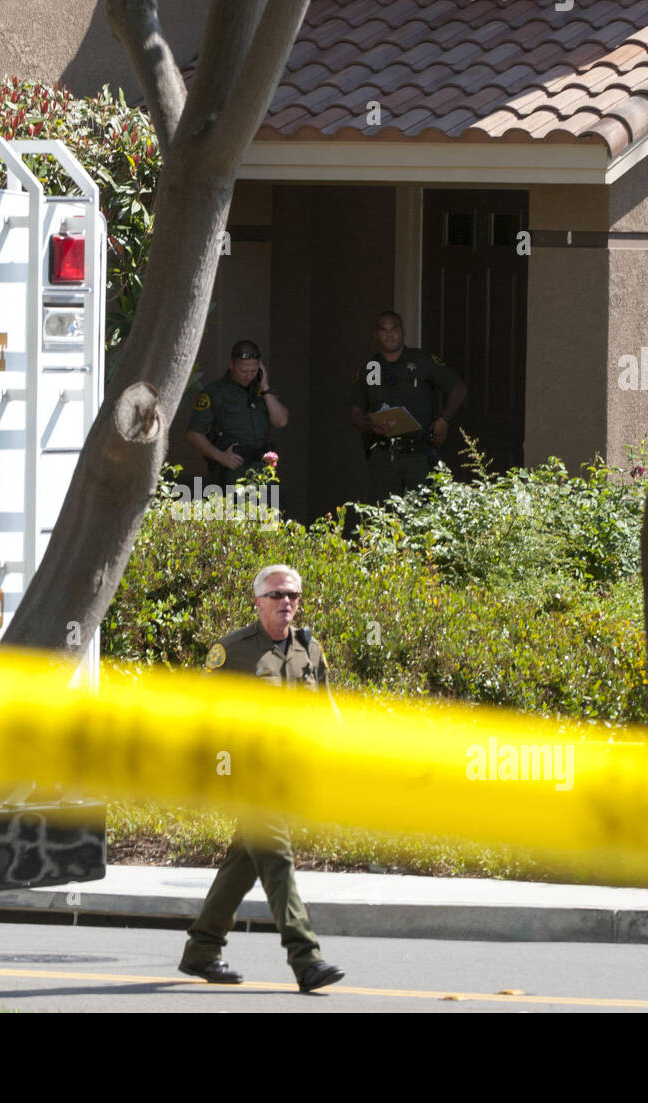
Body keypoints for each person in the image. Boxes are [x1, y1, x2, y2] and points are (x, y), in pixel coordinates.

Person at [178, 565, 345, 993]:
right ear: (258, 601)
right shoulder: (232, 651)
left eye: (292, 595)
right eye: (276, 595)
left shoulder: (310, 649)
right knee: (277, 857)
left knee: (245, 862)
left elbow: (327, 713)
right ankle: (306, 959)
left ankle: (202, 949)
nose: (286, 602)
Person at [349, 310, 467, 501]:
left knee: (423, 512)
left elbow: (458, 388)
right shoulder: (371, 368)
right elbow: (355, 411)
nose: (389, 334)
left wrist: (444, 419)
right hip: (384, 454)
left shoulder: (421, 361)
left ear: (403, 332)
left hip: (419, 453)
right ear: (375, 334)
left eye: (394, 329)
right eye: (383, 330)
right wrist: (370, 424)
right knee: (384, 517)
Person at [186, 339, 289, 487]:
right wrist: (220, 457)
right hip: (231, 469)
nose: (248, 376)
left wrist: (265, 387)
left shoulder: (262, 391)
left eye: (253, 371)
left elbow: (281, 421)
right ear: (231, 365)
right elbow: (193, 433)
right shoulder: (215, 393)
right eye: (243, 371)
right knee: (234, 510)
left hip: (261, 468)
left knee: (266, 510)